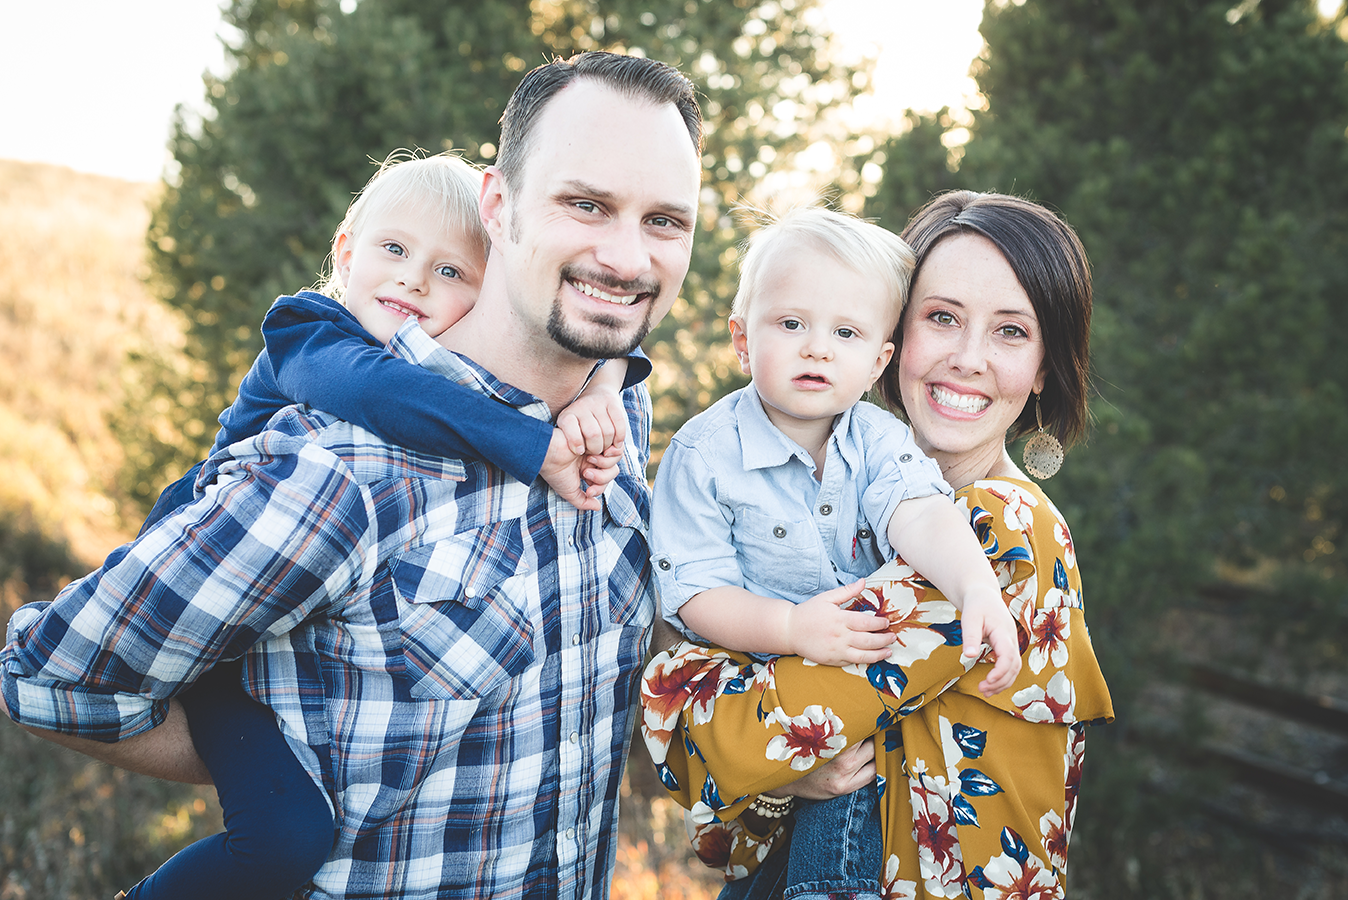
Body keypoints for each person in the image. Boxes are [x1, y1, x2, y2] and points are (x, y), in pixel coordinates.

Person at [2, 50, 703, 900]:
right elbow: (51, 676)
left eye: (665, 221)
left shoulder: (619, 416)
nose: (627, 257)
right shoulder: (339, 471)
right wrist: (277, 769)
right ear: (499, 205)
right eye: (585, 204)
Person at [113, 150, 640, 900]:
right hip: (210, 610)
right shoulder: (311, 334)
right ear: (345, 250)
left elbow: (603, 334)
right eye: (394, 250)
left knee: (299, 822)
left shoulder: (448, 359)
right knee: (285, 837)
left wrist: (610, 376)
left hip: (295, 637)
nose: (413, 280)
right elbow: (385, 395)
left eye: (451, 271)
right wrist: (533, 447)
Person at [642, 191, 1114, 900]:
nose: (968, 357)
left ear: (1045, 367)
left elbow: (714, 730)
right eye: (943, 317)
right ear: (895, 334)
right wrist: (782, 784)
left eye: (1011, 332)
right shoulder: (813, 489)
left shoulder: (996, 531)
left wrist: (698, 710)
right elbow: (725, 844)